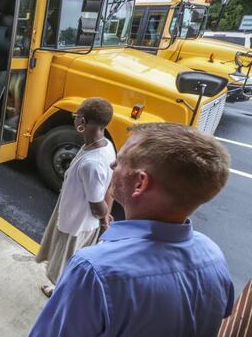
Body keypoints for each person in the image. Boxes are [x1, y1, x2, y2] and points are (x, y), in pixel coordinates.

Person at [29, 123, 234, 337]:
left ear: (140, 183)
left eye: (120, 161)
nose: (112, 164)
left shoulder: (94, 271)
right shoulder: (214, 257)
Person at [35, 97, 115, 297]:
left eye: (76, 116)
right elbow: (109, 188)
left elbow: (97, 204)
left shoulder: (92, 163)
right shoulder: (106, 147)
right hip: (75, 218)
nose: (75, 119)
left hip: (76, 224)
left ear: (83, 122)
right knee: (69, 264)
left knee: (65, 264)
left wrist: (105, 221)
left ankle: (60, 296)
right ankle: (60, 291)